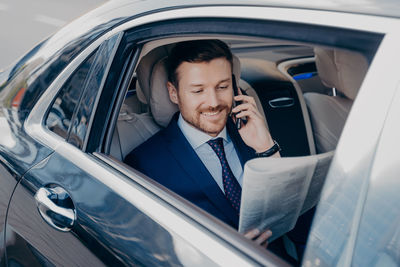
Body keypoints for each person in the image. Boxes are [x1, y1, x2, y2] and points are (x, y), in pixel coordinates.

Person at [125, 40, 280, 247]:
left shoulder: (253, 133)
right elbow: (151, 248)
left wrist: (266, 147)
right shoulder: (145, 164)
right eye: (198, 91)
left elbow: (290, 215)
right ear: (173, 93)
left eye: (223, 87)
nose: (213, 102)